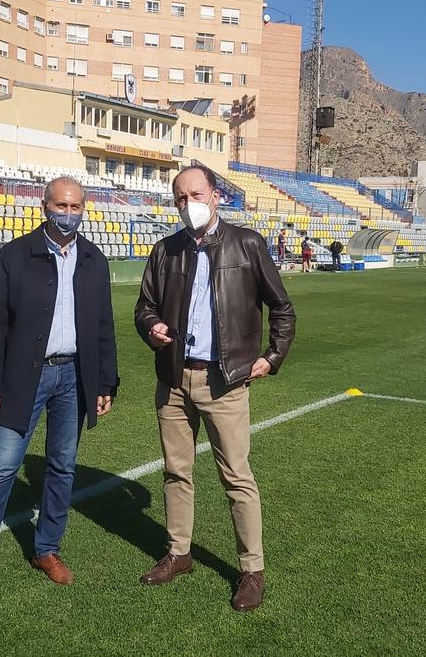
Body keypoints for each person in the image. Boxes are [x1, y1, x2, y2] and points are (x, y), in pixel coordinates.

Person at [134, 165, 296, 612]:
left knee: (236, 478)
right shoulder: (166, 251)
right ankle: (179, 553)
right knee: (176, 471)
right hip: (173, 378)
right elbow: (144, 306)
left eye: (196, 194)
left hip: (225, 382)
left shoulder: (247, 244)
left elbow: (282, 309)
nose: (189, 205)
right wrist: (153, 327)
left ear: (216, 196)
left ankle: (251, 570)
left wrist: (271, 356)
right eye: (180, 198)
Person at [0, 177, 119, 606]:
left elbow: (103, 328)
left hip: (73, 379)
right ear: (45, 206)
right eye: (61, 204)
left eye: (76, 206)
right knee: (0, 469)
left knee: (62, 468)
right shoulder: (16, 255)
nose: (69, 212)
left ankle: (47, 549)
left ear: (86, 208)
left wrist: (105, 381)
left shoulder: (93, 261)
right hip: (22, 379)